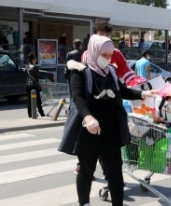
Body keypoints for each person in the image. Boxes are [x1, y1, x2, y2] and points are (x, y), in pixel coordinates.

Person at [62, 35, 156, 206]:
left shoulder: (111, 71)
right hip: (89, 130)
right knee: (86, 169)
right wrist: (88, 117)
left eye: (110, 55)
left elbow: (121, 90)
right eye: (104, 54)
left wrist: (142, 94)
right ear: (94, 51)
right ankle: (84, 203)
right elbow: (77, 97)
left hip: (110, 129)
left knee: (114, 171)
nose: (107, 58)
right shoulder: (80, 72)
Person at [77, 20, 135, 178]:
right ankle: (86, 167)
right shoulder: (87, 55)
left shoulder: (116, 54)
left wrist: (141, 87)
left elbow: (128, 74)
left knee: (109, 147)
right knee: (93, 143)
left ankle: (111, 177)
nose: (105, 39)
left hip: (112, 106)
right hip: (94, 106)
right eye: (101, 35)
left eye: (107, 35)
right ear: (95, 36)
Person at [25, 53, 45, 118]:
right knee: (38, 101)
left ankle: (30, 114)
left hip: (27, 85)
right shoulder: (34, 67)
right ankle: (42, 113)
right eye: (35, 59)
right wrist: (45, 78)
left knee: (29, 101)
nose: (36, 61)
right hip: (34, 86)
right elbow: (39, 76)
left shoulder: (27, 67)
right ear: (33, 60)